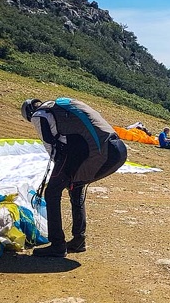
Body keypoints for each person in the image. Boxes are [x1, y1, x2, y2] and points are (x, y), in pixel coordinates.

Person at [21, 97, 128, 257]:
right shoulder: (59, 107)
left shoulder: (39, 115)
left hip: (99, 152)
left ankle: (57, 245)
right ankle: (78, 240)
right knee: (75, 188)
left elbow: (53, 148)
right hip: (117, 149)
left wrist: (58, 173)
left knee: (51, 193)